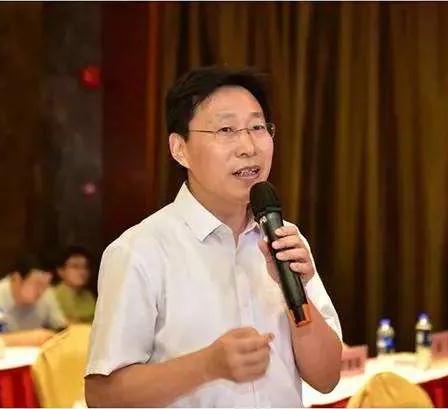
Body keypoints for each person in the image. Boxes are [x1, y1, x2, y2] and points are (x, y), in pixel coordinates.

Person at [85, 66, 343, 407]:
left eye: (257, 127)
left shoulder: (284, 242)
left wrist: (296, 291)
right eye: (226, 130)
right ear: (180, 148)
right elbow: (102, 396)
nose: (248, 146)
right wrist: (207, 366)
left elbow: (327, 378)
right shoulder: (140, 251)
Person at [0, 253, 68, 347]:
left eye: (45, 285)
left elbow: (63, 328)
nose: (41, 291)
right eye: (37, 284)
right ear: (17, 278)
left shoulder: (47, 295)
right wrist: (27, 339)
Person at [54, 245, 96, 323]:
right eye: (75, 267)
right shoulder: (52, 296)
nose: (82, 272)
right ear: (61, 271)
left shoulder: (89, 296)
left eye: (85, 267)